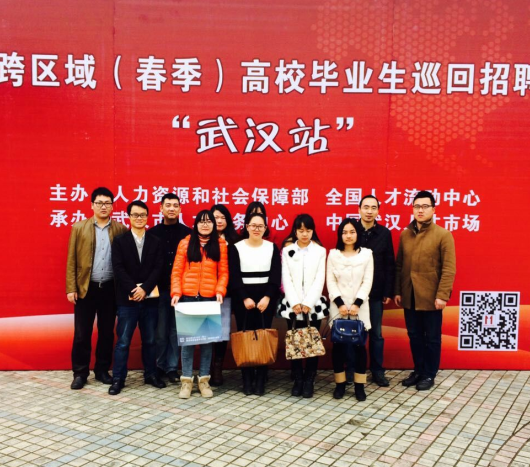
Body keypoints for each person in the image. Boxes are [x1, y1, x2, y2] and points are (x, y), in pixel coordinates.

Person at [66, 187, 127, 390]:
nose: (103, 206)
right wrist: (71, 287)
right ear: (92, 205)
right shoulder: (79, 228)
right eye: (99, 203)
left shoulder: (120, 229)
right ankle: (80, 373)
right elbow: (72, 260)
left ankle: (102, 370)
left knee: (107, 333)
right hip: (86, 288)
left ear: (112, 206)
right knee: (81, 333)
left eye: (107, 203)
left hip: (110, 289)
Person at [394, 190, 456, 391]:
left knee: (432, 338)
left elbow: (448, 269)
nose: (420, 210)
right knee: (414, 335)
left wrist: (442, 295)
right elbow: (399, 265)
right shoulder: (405, 234)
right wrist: (398, 291)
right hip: (409, 295)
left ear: (433, 209)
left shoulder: (443, 235)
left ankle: (429, 374)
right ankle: (418, 370)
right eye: (417, 206)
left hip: (431, 297)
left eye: (425, 206)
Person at [109, 201, 165, 395]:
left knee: (150, 340)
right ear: (129, 217)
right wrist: (134, 290)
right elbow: (118, 268)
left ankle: (151, 374)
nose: (139, 218)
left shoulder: (155, 241)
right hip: (127, 301)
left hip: (150, 300)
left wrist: (145, 289)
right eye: (135, 215)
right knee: (123, 341)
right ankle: (118, 378)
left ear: (148, 217)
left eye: (142, 215)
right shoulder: (120, 241)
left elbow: (158, 268)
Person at [170, 210, 229, 399]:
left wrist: (220, 291)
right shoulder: (185, 243)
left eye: (209, 221)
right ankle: (186, 381)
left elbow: (224, 272)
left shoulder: (220, 244)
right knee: (188, 343)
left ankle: (204, 380)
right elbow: (176, 271)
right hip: (188, 298)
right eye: (201, 222)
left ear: (213, 224)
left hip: (209, 299)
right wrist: (176, 293)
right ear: (195, 225)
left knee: (206, 343)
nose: (205, 225)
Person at [230, 213, 281, 396]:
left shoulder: (271, 247)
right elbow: (234, 275)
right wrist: (245, 298)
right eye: (253, 225)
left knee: (263, 338)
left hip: (265, 299)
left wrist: (267, 297)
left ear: (265, 228)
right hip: (243, 299)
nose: (256, 229)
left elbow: (275, 275)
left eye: (260, 226)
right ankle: (246, 379)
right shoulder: (236, 247)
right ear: (247, 227)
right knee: (246, 337)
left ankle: (260, 380)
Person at [280, 214, 327, 398]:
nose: (305, 234)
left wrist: (308, 302)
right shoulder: (287, 250)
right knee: (295, 343)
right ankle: (298, 379)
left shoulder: (320, 251)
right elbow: (286, 278)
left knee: (312, 343)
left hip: (313, 306)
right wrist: (295, 302)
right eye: (301, 230)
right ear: (295, 231)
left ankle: (309, 379)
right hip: (292, 306)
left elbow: (319, 278)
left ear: (313, 231)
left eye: (308, 230)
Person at [327, 218, 373, 401]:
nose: (348, 236)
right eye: (344, 232)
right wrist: (340, 303)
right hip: (338, 307)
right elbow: (330, 281)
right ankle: (340, 384)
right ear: (340, 235)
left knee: (359, 347)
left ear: (357, 234)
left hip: (359, 308)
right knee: (338, 347)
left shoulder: (367, 254)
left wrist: (357, 303)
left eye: (352, 232)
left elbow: (367, 281)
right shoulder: (333, 255)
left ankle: (359, 386)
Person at [147, 194, 191, 383]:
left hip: (182, 290)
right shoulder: (152, 233)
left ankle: (172, 368)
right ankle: (159, 366)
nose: (171, 208)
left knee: (176, 331)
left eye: (175, 205)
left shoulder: (188, 234)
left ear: (180, 209)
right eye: (168, 205)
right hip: (160, 290)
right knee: (160, 331)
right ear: (161, 208)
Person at [357, 195, 395, 387]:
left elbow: (389, 264)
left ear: (378, 211)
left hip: (376, 293)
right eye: (366, 207)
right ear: (359, 210)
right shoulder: (351, 230)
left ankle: (377, 371)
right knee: (355, 334)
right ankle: (354, 370)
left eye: (373, 208)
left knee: (376, 334)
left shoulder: (384, 233)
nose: (369, 211)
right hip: (354, 294)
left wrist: (388, 291)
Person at [209, 204, 240, 386]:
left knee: (221, 332)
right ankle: (206, 368)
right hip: (205, 291)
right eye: (215, 217)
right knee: (206, 330)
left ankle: (217, 368)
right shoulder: (203, 238)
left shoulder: (235, 241)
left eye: (222, 217)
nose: (219, 221)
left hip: (226, 293)